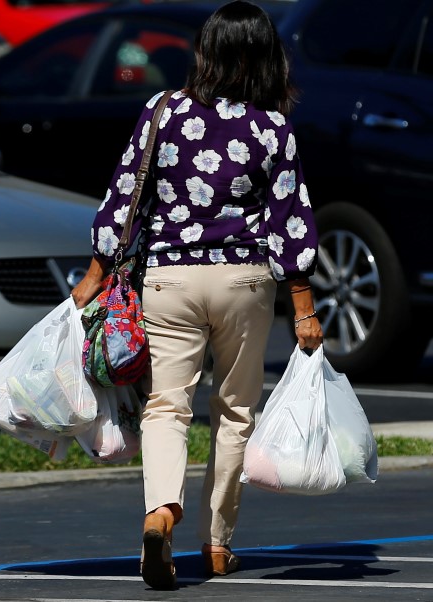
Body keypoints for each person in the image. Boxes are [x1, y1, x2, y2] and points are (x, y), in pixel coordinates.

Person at [71, 0, 323, 590]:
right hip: (243, 279)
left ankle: (161, 510)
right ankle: (217, 545)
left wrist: (93, 276)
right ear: (267, 56)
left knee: (167, 407)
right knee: (234, 411)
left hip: (168, 278)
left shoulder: (162, 112)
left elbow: (124, 201)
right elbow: (289, 217)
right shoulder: (273, 127)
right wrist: (305, 307)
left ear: (205, 51)